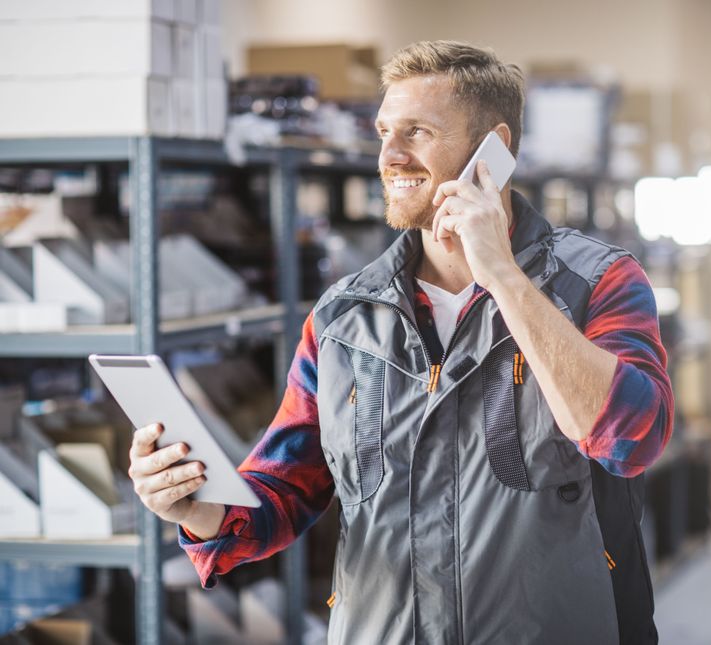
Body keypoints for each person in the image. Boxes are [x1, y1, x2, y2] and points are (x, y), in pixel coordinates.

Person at [126, 41, 674, 644]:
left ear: (496, 149)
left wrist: (503, 276)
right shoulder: (342, 318)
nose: (389, 154)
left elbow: (633, 436)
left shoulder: (598, 282)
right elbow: (281, 491)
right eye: (384, 130)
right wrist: (194, 508)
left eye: (417, 132)